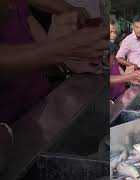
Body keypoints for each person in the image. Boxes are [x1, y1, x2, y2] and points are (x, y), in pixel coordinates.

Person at [0, 0, 107, 173]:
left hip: (37, 109)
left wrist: (62, 60)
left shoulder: (20, 9)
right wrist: (59, 50)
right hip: (11, 125)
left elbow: (37, 41)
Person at [109, 18, 140, 100]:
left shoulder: (112, 47)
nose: (113, 35)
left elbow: (117, 67)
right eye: (110, 32)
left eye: (115, 32)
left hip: (120, 93)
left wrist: (129, 80)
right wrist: (129, 76)